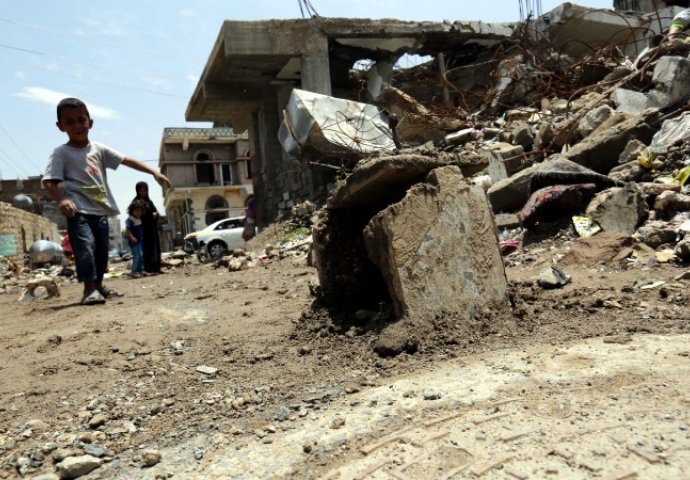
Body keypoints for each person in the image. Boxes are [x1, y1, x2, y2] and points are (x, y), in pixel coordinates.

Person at [42, 97, 171, 305]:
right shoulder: (61, 153)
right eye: (70, 122)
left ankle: (99, 285)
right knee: (85, 248)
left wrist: (153, 172)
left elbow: (126, 160)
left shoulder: (98, 150)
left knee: (101, 253)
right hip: (78, 212)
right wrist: (63, 199)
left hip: (100, 212)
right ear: (60, 126)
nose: (77, 125)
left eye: (81, 120)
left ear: (90, 122)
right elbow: (49, 182)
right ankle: (89, 289)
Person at [132, 181, 164, 274]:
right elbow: (135, 215)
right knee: (146, 249)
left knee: (155, 248)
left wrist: (155, 214)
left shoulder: (149, 201)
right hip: (142, 229)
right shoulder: (135, 202)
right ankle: (148, 269)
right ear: (137, 191)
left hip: (152, 229)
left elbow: (155, 211)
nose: (143, 192)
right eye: (141, 190)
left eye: (144, 190)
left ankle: (157, 268)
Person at [125, 200, 145, 278]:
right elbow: (127, 230)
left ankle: (140, 270)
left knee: (140, 255)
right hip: (134, 242)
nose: (138, 212)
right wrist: (132, 237)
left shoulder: (139, 219)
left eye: (140, 211)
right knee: (137, 256)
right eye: (136, 211)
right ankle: (133, 271)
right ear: (132, 211)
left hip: (139, 241)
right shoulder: (130, 219)